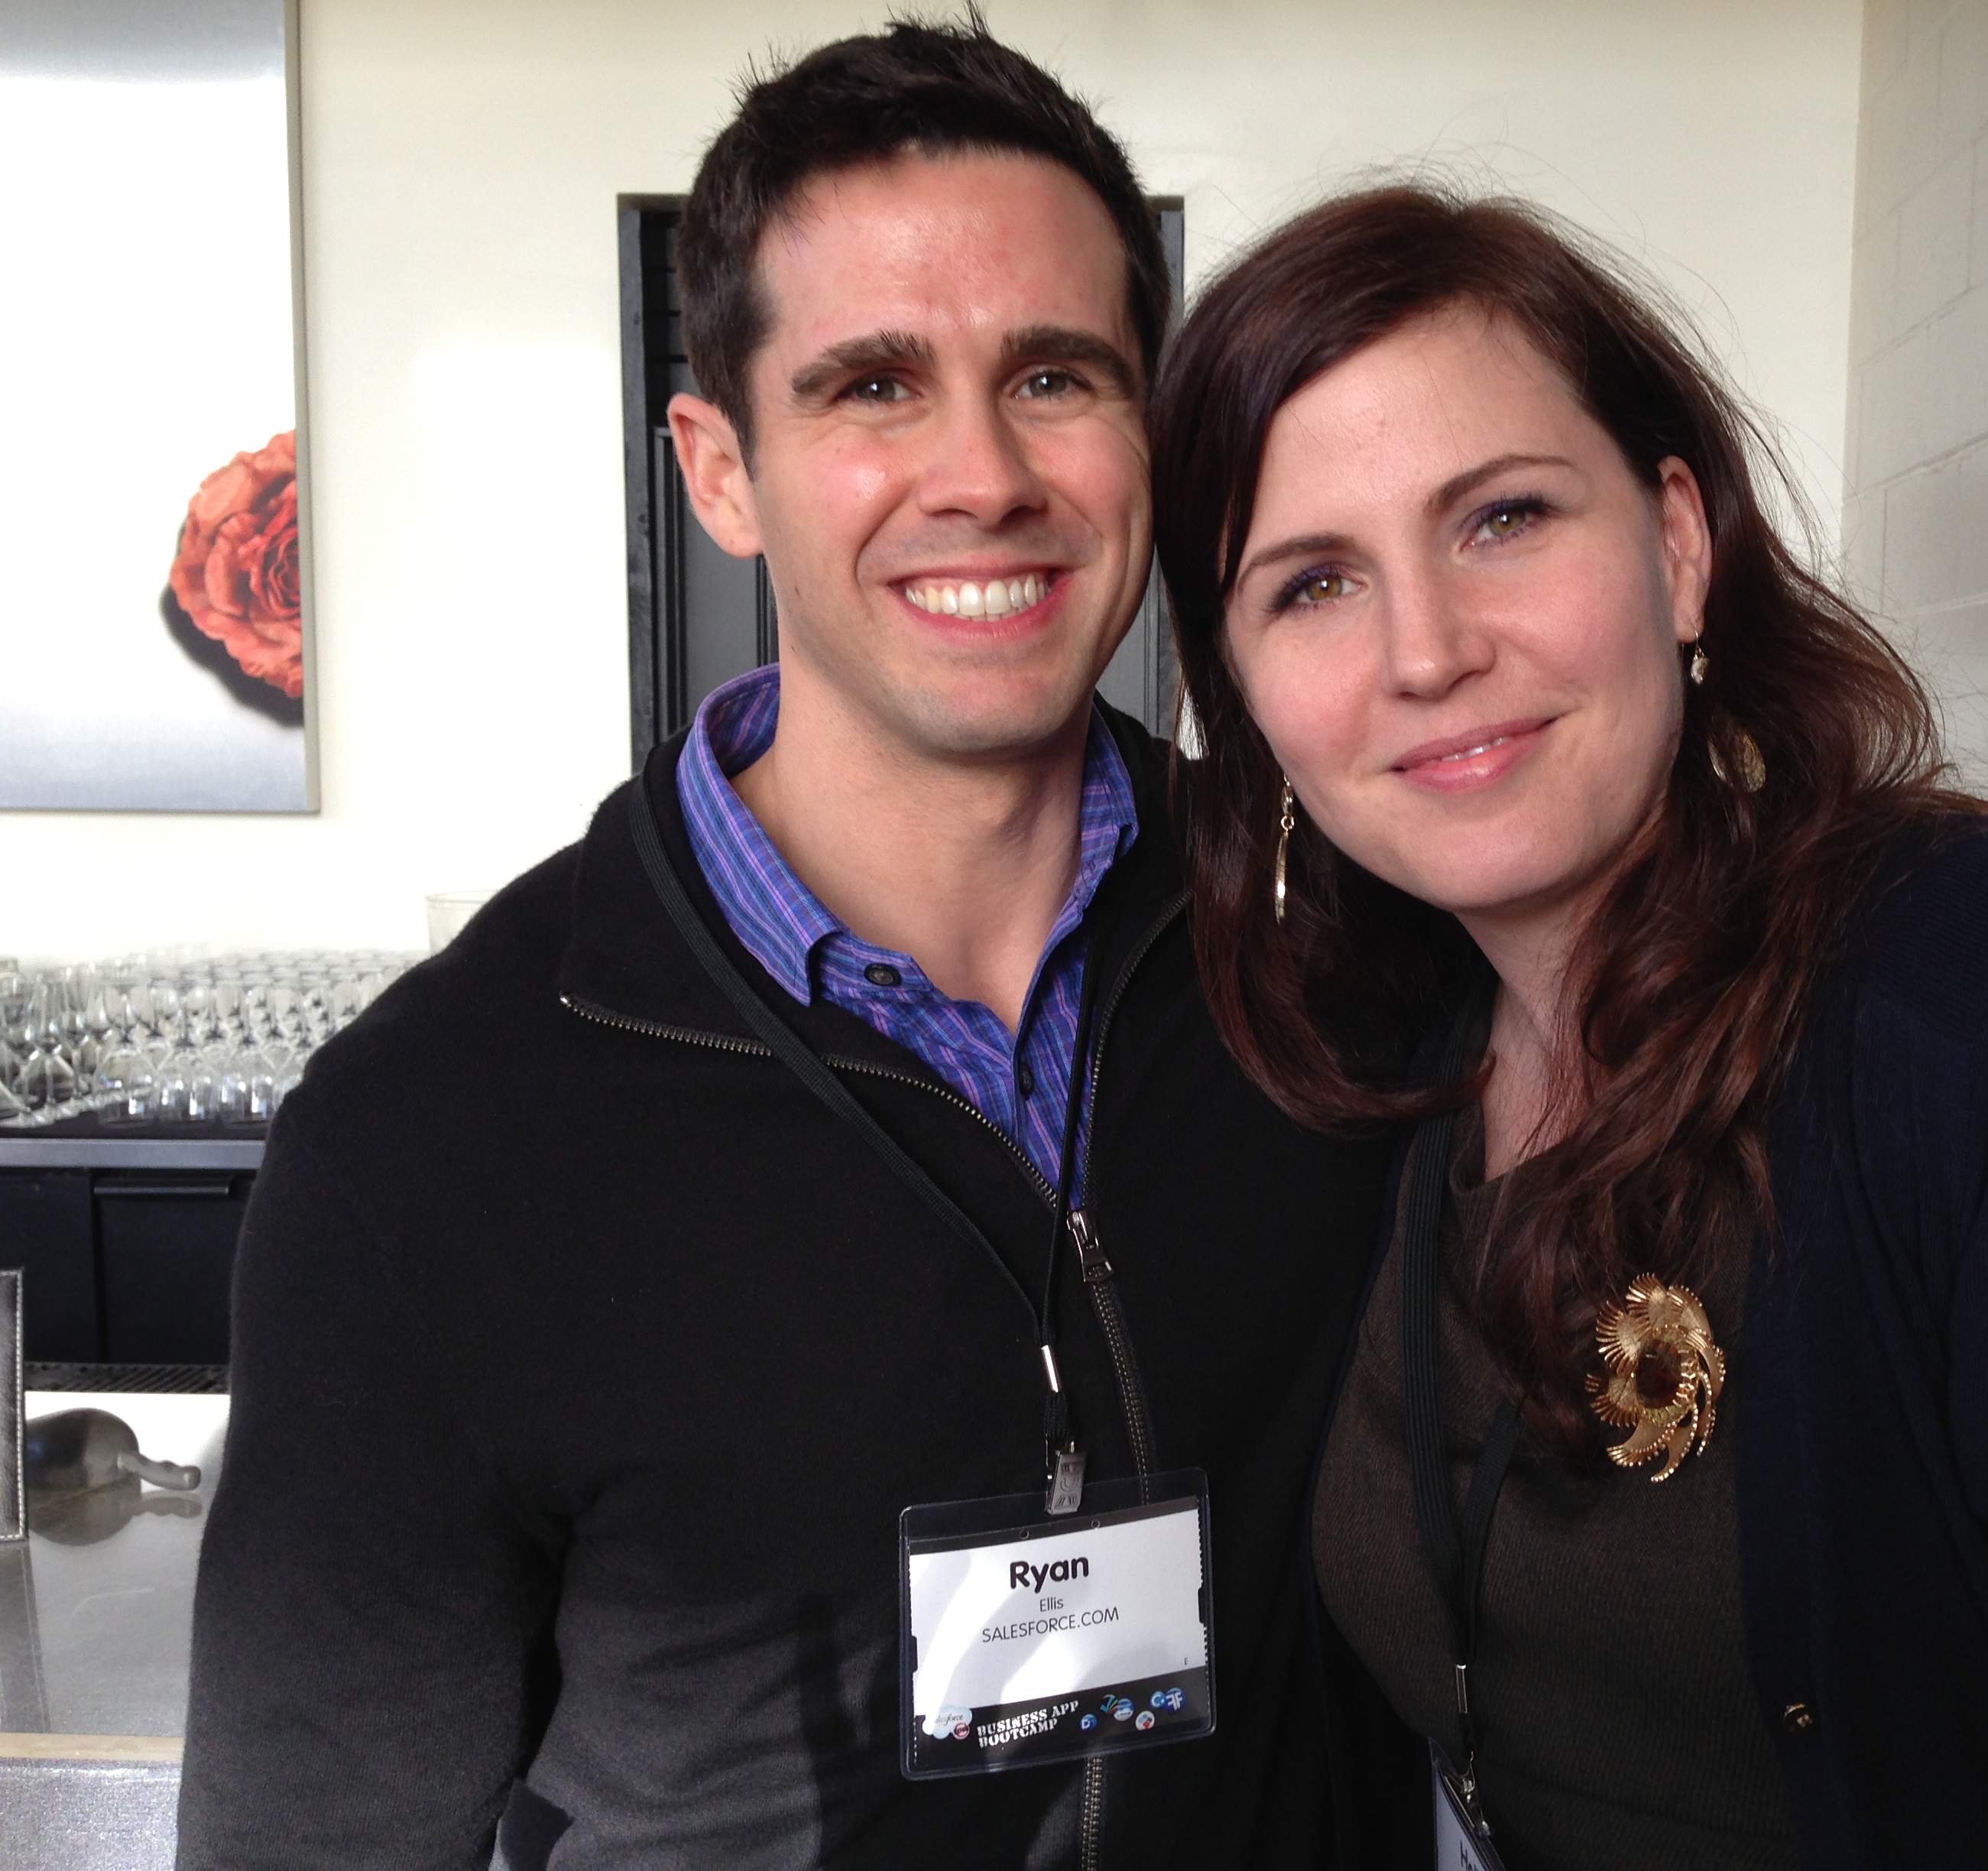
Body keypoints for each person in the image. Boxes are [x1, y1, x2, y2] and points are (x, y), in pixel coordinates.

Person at [1148, 183, 1988, 1870]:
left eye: (1502, 518)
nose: (1427, 651)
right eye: (1314, 584)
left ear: (1679, 545)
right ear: (1243, 696)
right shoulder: (1385, 1073)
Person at [177, 24, 1391, 1869]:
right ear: (721, 470)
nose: (983, 475)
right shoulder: (427, 1139)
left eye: (1054, 375)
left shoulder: (1337, 953)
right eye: (874, 387)